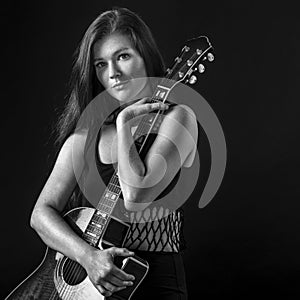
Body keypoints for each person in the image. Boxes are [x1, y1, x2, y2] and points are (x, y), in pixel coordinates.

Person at [30, 7, 198, 299]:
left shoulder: (179, 119)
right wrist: (88, 257)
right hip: (89, 285)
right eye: (100, 64)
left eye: (123, 56)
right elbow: (40, 214)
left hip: (155, 282)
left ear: (145, 56)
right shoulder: (85, 138)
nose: (113, 73)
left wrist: (123, 125)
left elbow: (135, 197)